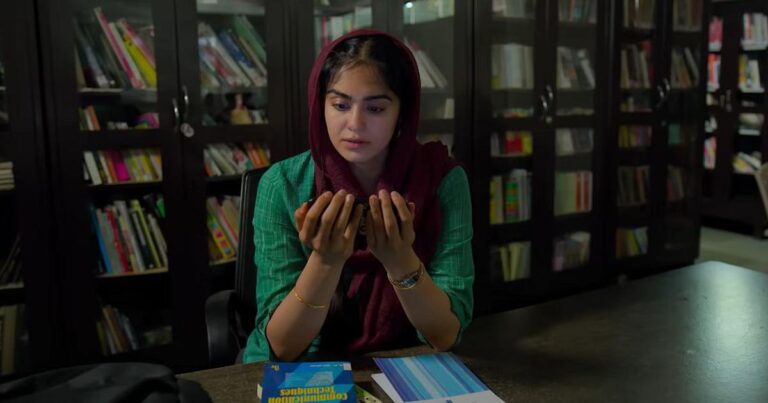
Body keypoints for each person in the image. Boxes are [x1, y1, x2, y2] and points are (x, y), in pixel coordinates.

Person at [242, 29, 474, 362]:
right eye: (340, 105)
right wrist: (325, 260)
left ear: (402, 113)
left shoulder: (442, 180)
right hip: (307, 366)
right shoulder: (282, 185)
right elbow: (283, 346)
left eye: (375, 108)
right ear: (319, 105)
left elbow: (445, 335)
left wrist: (399, 258)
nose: (355, 123)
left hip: (406, 361)